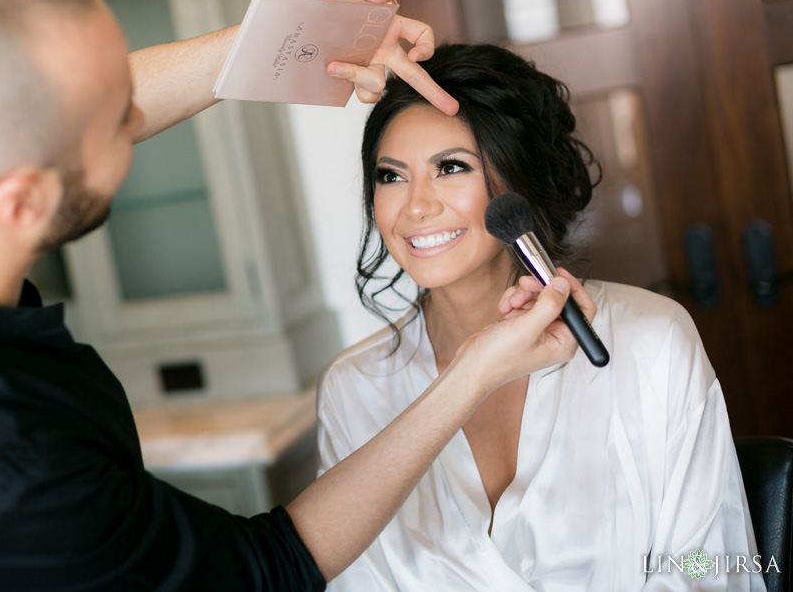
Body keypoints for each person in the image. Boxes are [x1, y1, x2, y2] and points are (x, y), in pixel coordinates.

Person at [0, 0, 583, 591]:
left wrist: (297, 37)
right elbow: (272, 565)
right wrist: (471, 370)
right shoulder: (4, 484)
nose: (139, 120)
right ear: (22, 198)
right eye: (117, 123)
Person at [316, 43, 765, 591]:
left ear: (519, 185)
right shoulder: (354, 388)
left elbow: (713, 568)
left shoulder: (652, 340)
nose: (414, 207)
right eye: (391, 176)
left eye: (451, 167)